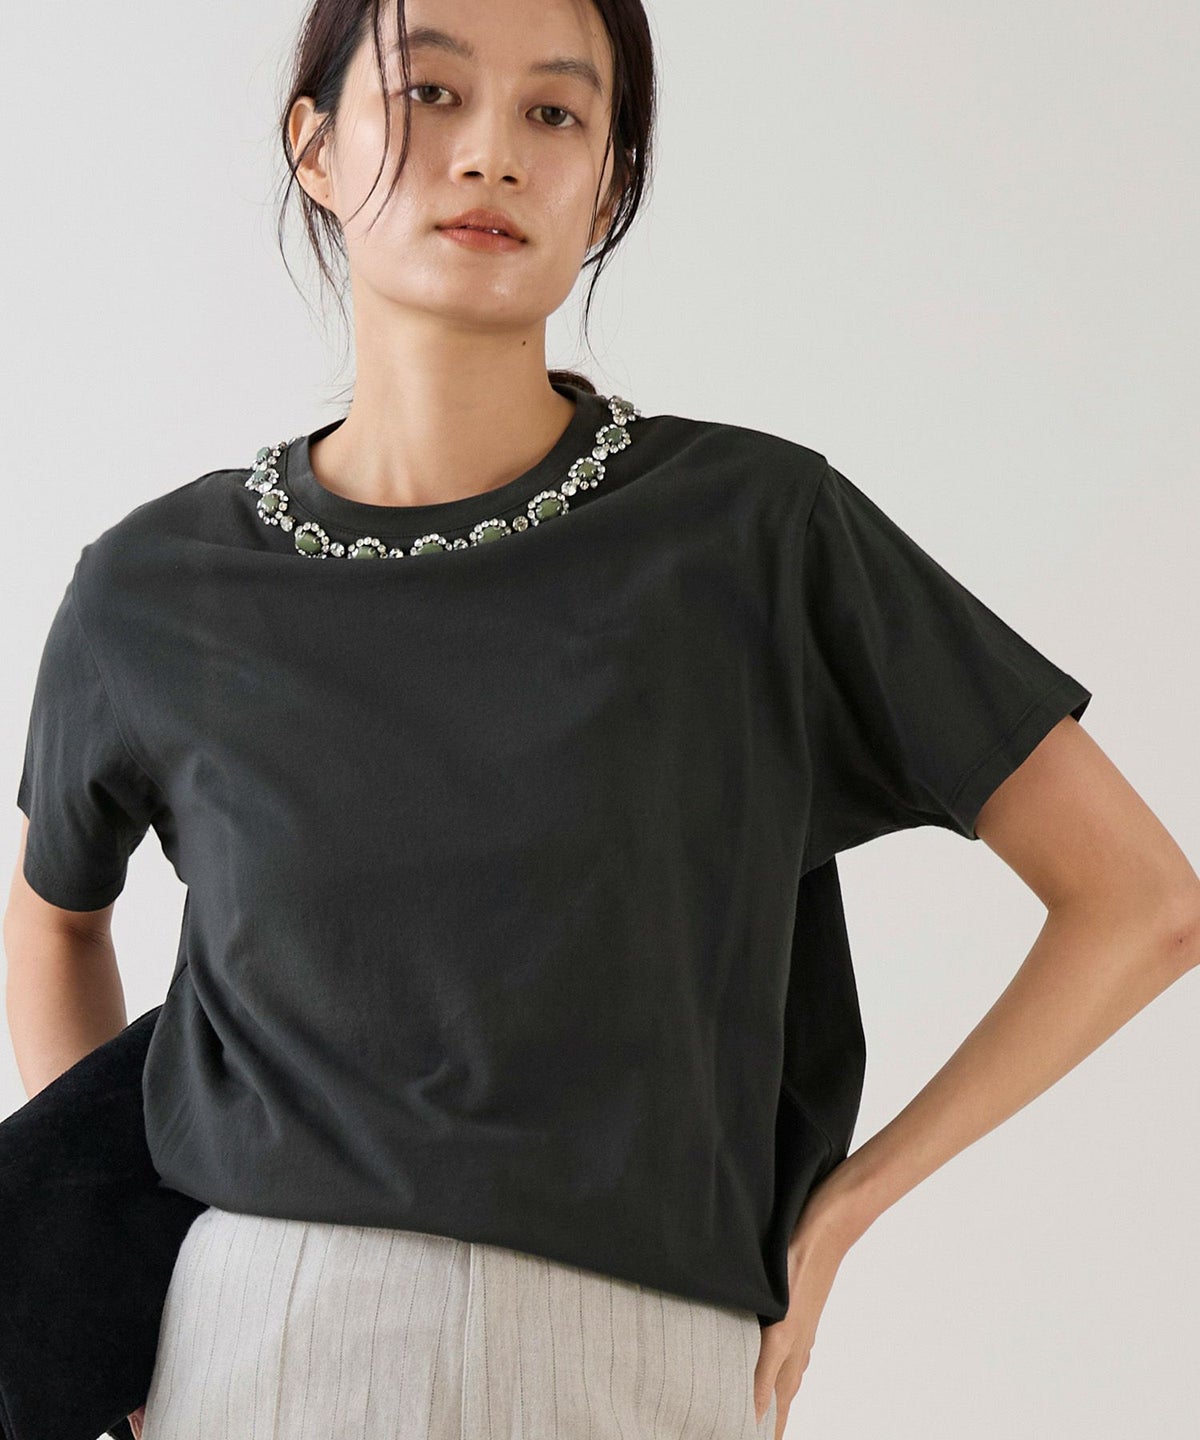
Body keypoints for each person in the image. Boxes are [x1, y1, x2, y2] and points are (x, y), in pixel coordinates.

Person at [6, 1, 1198, 1438]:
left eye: (556, 113)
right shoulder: (156, 587)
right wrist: (107, 1270)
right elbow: (54, 922)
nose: (492, 155)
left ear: (609, 182)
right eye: (431, 94)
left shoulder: (754, 534)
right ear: (313, 147)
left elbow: (1140, 901)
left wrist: (843, 1214)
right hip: (262, 1340)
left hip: (635, 1360)